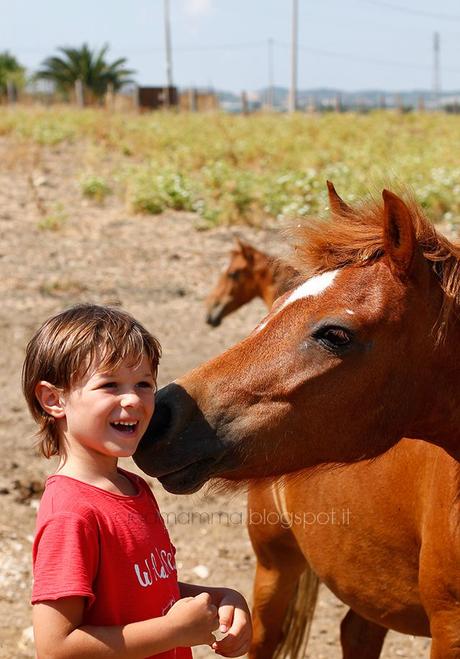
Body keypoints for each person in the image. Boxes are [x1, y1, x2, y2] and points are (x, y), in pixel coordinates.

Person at [22, 304, 252, 659]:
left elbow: (139, 593)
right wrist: (173, 631)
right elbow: (56, 648)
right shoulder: (71, 512)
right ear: (54, 399)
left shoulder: (135, 488)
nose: (132, 399)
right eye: (109, 385)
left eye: (144, 384)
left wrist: (216, 598)